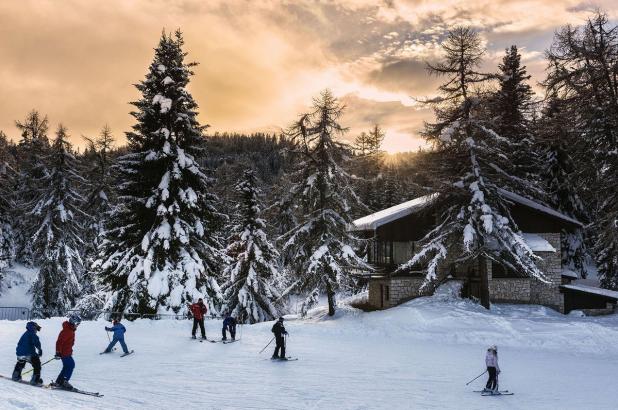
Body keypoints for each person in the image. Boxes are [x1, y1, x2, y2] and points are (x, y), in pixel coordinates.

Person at [53, 314, 81, 390]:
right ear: (73, 322)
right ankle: (64, 381)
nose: (78, 325)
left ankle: (59, 381)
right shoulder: (67, 331)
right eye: (77, 323)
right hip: (64, 353)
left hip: (66, 352)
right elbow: (59, 342)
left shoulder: (70, 330)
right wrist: (58, 352)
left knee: (66, 366)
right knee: (71, 365)